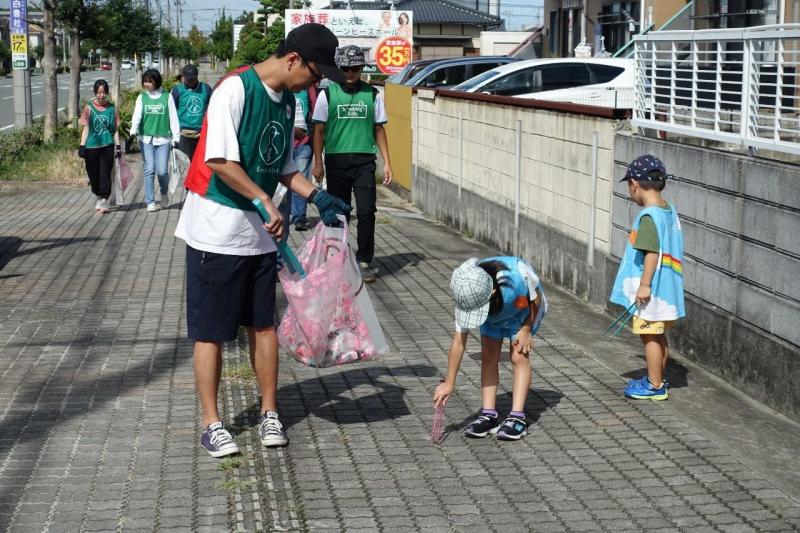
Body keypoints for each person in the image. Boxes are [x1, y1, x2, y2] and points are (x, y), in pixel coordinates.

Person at [175, 23, 350, 458]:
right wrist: (264, 201)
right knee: (211, 332)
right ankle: (211, 423)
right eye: (315, 72)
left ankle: (270, 411)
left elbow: (283, 166)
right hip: (216, 231)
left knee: (264, 325)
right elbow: (219, 160)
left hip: (259, 237)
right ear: (294, 60)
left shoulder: (288, 100)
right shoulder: (235, 89)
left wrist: (317, 194)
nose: (317, 81)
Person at [433, 257, 547, 441]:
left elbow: (536, 298)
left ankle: (517, 417)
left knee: (518, 357)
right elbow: (459, 342)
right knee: (488, 356)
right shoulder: (466, 293)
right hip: (492, 317)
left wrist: (526, 328)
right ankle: (489, 415)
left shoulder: (518, 278)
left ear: (492, 291)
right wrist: (449, 382)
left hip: (522, 311)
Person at [311, 45, 393, 283]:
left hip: (365, 161)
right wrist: (318, 163)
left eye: (355, 68)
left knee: (367, 212)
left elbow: (379, 129)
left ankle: (365, 259)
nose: (350, 72)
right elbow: (318, 130)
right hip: (336, 160)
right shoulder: (327, 94)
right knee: (339, 213)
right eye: (345, 68)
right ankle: (338, 260)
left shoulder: (373, 94)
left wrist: (387, 162)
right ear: (339, 69)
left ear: (361, 68)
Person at [611, 155, 685, 401]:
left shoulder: (648, 217)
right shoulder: (668, 210)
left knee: (649, 336)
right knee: (659, 335)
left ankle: (655, 385)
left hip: (651, 292)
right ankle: (658, 378)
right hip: (668, 291)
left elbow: (651, 253)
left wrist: (643, 285)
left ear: (634, 184)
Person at [130, 68, 180, 212]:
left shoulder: (167, 97)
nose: (147, 84)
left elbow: (173, 117)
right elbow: (137, 115)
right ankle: (150, 201)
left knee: (162, 171)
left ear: (156, 82)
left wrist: (176, 138)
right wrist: (133, 130)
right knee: (149, 169)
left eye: (150, 81)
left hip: (163, 139)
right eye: (145, 81)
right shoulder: (142, 98)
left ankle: (164, 193)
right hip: (146, 139)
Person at [78, 79, 121, 214]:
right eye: (99, 92)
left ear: (107, 93)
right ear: (95, 92)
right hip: (91, 146)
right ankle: (98, 195)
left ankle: (104, 200)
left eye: (103, 92)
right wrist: (82, 145)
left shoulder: (111, 109)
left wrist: (118, 146)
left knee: (105, 174)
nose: (101, 95)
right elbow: (86, 128)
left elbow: (115, 130)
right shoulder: (88, 108)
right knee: (93, 174)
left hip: (107, 145)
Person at [287, 84, 318, 231]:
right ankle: (284, 214)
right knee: (283, 184)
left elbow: (315, 111)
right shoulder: (280, 86)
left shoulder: (307, 88)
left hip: (303, 144)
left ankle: (299, 217)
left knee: (301, 180)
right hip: (282, 145)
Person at [171, 64, 212, 161]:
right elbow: (172, 112)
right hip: (184, 133)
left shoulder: (206, 89)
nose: (191, 82)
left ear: (197, 76)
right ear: (183, 77)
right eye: (188, 79)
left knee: (201, 162)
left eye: (193, 79)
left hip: (201, 132)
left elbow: (212, 108)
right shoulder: (177, 91)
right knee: (185, 163)